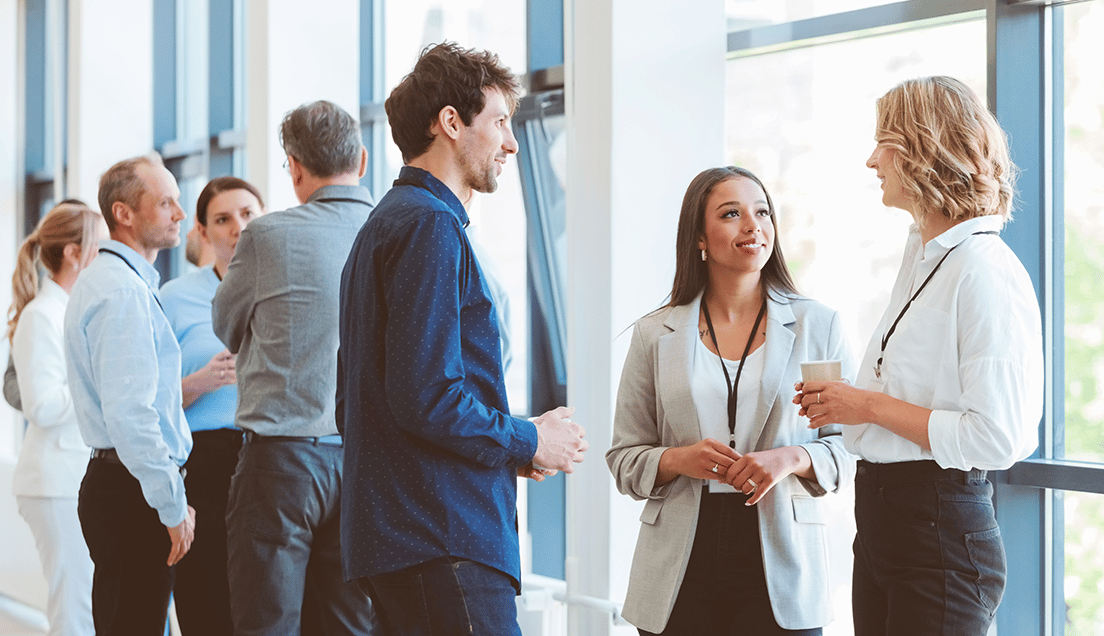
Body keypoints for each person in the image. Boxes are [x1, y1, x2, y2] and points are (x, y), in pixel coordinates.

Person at [337, 42, 588, 636]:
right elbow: (426, 397)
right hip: (441, 535)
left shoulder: (388, 224)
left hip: (407, 533)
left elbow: (373, 400)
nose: (511, 143)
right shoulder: (430, 225)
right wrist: (526, 440)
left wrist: (503, 452)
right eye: (500, 121)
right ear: (451, 122)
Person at [794, 76, 1044, 636]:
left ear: (922, 147)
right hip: (886, 517)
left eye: (883, 140)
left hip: (937, 524)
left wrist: (867, 407)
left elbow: (998, 438)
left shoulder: (983, 270)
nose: (870, 160)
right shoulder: (925, 260)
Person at [606, 167, 855, 635]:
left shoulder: (818, 327)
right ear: (699, 237)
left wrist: (792, 457)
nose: (752, 225)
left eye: (762, 212)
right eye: (731, 214)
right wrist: (680, 459)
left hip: (781, 554)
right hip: (680, 562)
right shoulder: (654, 334)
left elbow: (850, 447)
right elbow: (623, 458)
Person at [211, 100, 377, 636]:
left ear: (296, 168)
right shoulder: (395, 230)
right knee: (350, 625)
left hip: (282, 465)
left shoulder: (268, 236)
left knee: (267, 624)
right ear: (363, 159)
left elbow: (227, 327)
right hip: (365, 466)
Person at [64, 154, 195, 634]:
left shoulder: (115, 282)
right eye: (166, 203)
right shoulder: (121, 292)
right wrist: (172, 505)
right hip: (131, 491)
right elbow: (133, 417)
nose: (180, 213)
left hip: (126, 485)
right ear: (124, 214)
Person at [161, 176, 265, 636]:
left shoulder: (286, 288)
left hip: (272, 459)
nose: (237, 227)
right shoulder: (174, 298)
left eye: (247, 214)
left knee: (267, 601)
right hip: (203, 465)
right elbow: (149, 403)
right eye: (222, 219)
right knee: (205, 599)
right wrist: (201, 382)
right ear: (202, 232)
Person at [7, 200, 104, 636]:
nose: (105, 256)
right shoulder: (41, 316)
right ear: (72, 253)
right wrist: (102, 388)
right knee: (73, 607)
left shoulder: (68, 309)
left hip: (70, 477)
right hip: (54, 482)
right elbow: (42, 406)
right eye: (98, 247)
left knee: (84, 603)